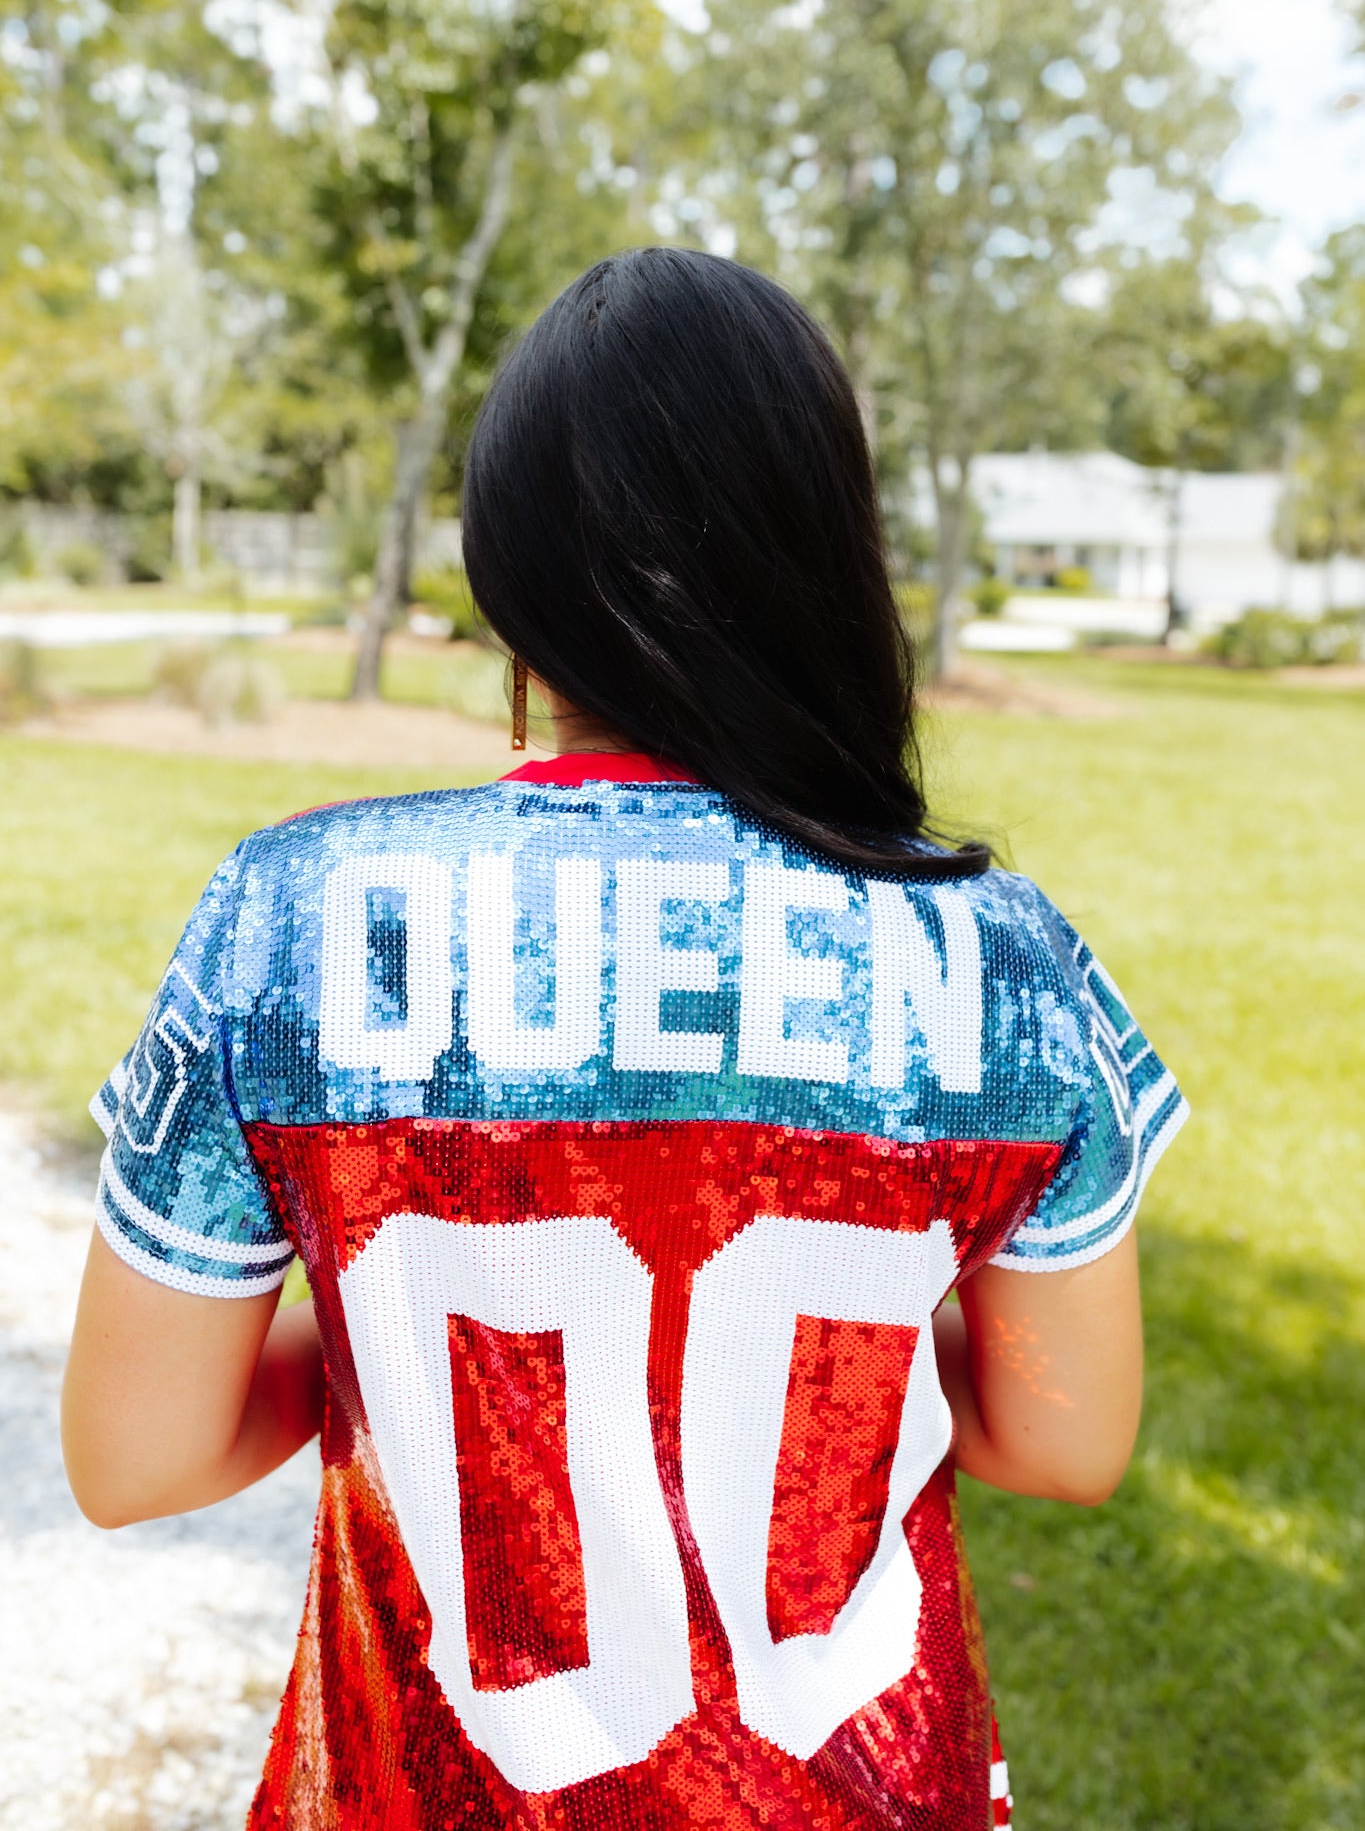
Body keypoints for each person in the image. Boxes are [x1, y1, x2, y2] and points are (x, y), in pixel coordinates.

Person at [63, 248, 1186, 1831]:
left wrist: (429, 1350)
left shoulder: (289, 920)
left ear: (511, 575)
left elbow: (137, 1456)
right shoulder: (1000, 962)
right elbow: (1060, 1440)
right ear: (826, 556)